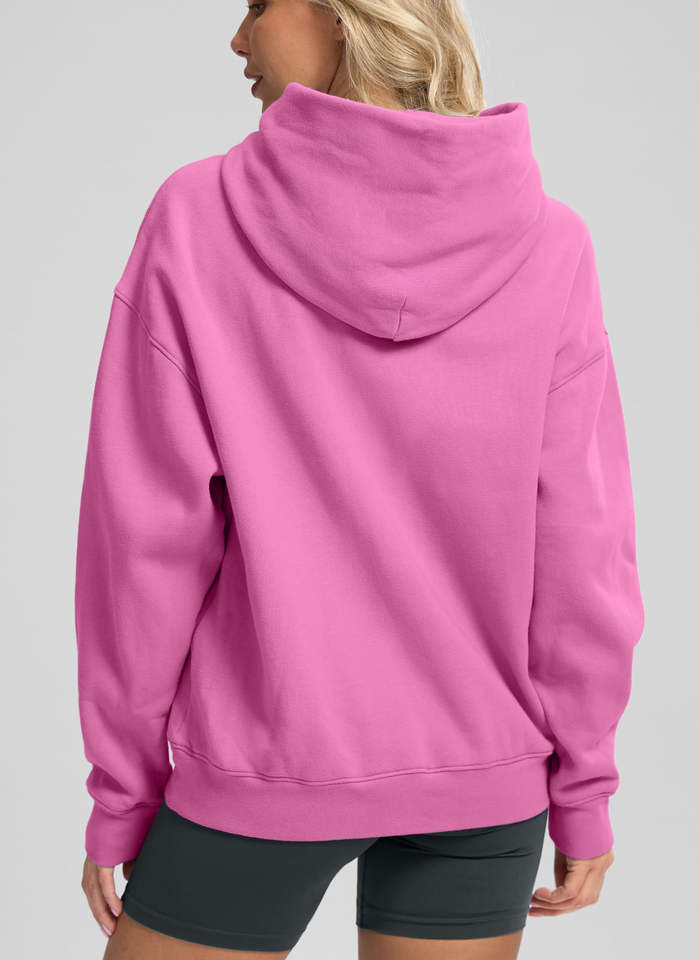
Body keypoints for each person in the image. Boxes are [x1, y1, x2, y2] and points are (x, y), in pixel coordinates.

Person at [76, 1, 645, 958]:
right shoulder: (550, 240)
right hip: (484, 775)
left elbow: (143, 542)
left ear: (342, 13)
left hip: (263, 771)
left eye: (258, 4)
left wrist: (124, 793)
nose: (237, 38)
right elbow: (583, 548)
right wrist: (582, 787)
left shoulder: (197, 217)